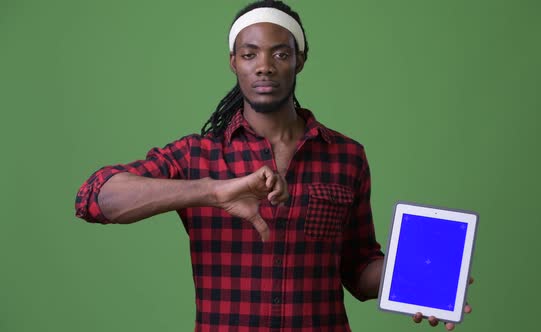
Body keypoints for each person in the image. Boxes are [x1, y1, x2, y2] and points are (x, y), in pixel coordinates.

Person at [75, 1, 472, 331]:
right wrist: (212, 191)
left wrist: (419, 281)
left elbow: (357, 268)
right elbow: (94, 199)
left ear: (300, 60)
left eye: (280, 53)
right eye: (250, 54)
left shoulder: (346, 156)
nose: (264, 66)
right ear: (234, 62)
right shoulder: (197, 155)